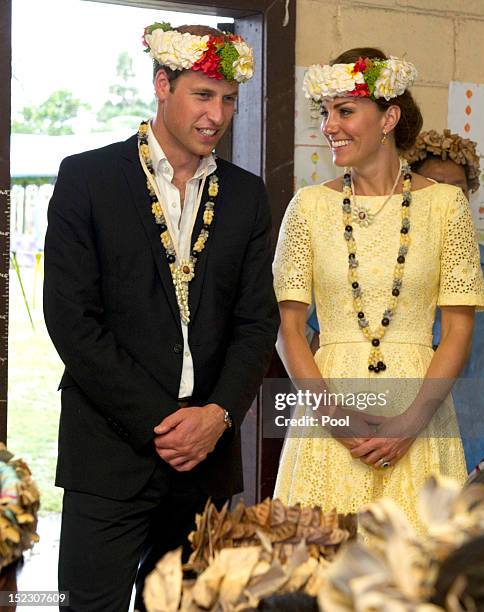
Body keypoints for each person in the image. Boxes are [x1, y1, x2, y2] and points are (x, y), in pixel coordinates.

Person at [43, 23, 278, 612]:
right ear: (162, 83)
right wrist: (166, 422)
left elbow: (256, 322)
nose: (216, 115)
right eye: (203, 95)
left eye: (228, 99)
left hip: (206, 465)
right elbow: (72, 321)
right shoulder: (87, 179)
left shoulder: (248, 196)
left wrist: (217, 416)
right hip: (109, 455)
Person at [272, 47, 484, 529]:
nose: (330, 125)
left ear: (389, 117)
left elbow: (458, 330)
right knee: (321, 581)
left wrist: (411, 423)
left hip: (420, 406)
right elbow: (288, 330)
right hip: (328, 408)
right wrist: (336, 419)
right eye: (326, 112)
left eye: (345, 111)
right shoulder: (306, 207)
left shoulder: (446, 206)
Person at [406, 130, 484, 475]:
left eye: (459, 190)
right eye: (434, 187)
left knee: (483, 530)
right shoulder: (379, 264)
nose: (448, 199)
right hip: (406, 439)